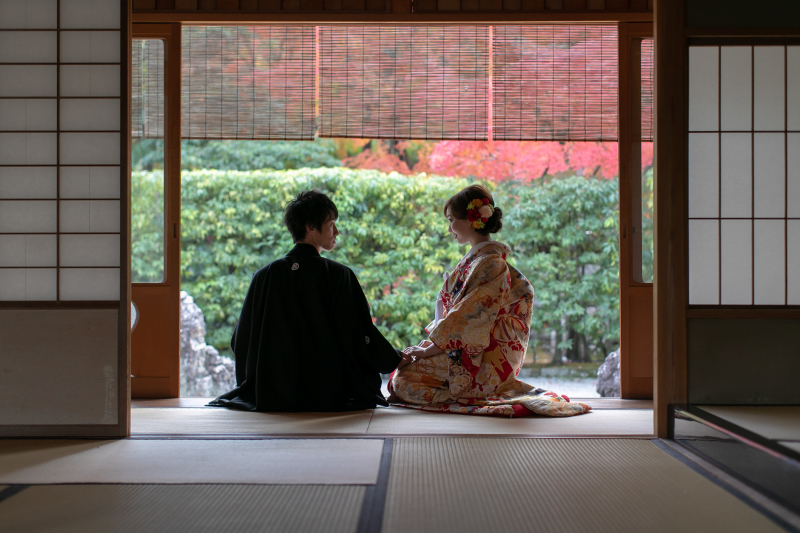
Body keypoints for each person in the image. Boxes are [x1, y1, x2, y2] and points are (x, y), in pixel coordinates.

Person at [388, 185, 591, 417]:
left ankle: (467, 394)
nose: (449, 228)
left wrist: (429, 350)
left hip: (479, 361)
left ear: (471, 220)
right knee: (401, 374)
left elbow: (470, 319)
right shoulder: (480, 260)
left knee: (404, 380)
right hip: (461, 349)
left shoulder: (491, 263)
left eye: (451, 220)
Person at [209, 190, 408, 412]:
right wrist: (394, 359)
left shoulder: (265, 275)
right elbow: (359, 334)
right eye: (331, 224)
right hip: (327, 393)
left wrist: (264, 378)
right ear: (310, 227)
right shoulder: (338, 274)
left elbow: (241, 338)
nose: (337, 231)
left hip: (272, 393)